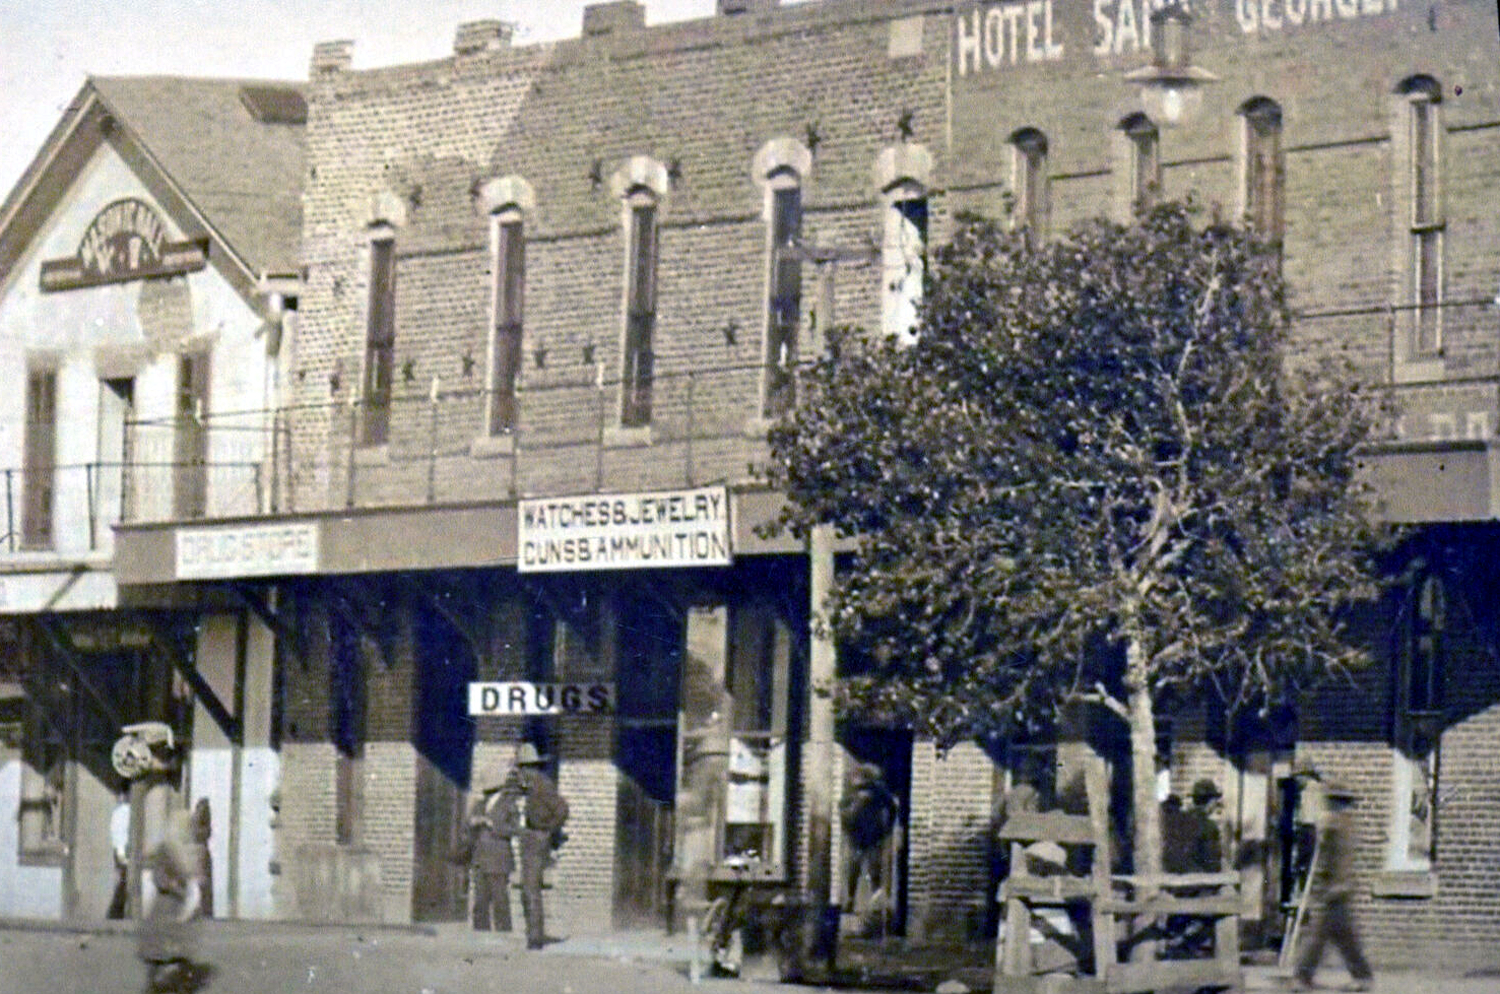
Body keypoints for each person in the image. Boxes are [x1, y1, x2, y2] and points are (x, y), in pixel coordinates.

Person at [1293, 782, 1374, 993]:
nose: (1328, 804)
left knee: (1320, 934)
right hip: (1336, 886)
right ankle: (1363, 976)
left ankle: (1303, 976)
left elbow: (1341, 860)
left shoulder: (1339, 825)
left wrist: (1336, 884)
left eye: (1331, 800)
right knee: (1343, 935)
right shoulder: (1338, 824)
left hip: (1336, 887)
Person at [137, 809, 212, 993]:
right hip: (165, 907)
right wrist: (176, 888)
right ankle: (154, 988)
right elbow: (159, 876)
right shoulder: (166, 847)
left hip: (180, 908)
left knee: (179, 952)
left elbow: (192, 875)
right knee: (160, 953)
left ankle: (175, 986)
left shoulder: (187, 849)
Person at [515, 742, 569, 950]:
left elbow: (562, 809)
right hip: (532, 837)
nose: (520, 772)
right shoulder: (533, 785)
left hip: (536, 839)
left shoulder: (541, 785)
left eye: (522, 767)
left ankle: (535, 938)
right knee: (529, 889)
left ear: (529, 767)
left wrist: (546, 830)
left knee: (530, 889)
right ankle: (534, 934)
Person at [839, 761, 899, 918]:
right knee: (853, 870)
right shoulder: (851, 792)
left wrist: (887, 828)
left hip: (873, 836)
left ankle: (876, 906)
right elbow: (842, 808)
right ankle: (851, 901)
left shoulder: (878, 790)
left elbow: (892, 806)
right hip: (856, 837)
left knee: (874, 870)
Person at [466, 770, 520, 932]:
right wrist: (474, 822)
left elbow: (515, 829)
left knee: (500, 899)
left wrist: (493, 826)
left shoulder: (509, 805)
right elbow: (469, 824)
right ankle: (480, 933)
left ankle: (503, 932)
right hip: (481, 857)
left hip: (499, 858)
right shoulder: (480, 804)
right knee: (480, 900)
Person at [108, 789, 132, 920]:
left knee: (123, 882)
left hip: (119, 851)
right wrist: (122, 855)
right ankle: (116, 913)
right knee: (123, 882)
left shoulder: (118, 811)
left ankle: (117, 913)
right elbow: (119, 835)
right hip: (123, 851)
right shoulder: (124, 811)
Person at [190, 798, 213, 919]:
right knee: (200, 883)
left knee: (201, 884)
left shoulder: (199, 825)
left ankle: (202, 909)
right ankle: (201, 909)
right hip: (199, 853)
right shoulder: (198, 824)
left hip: (199, 853)